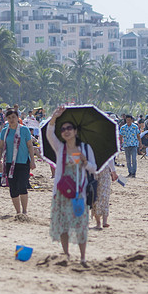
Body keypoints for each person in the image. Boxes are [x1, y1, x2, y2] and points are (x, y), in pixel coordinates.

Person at [46, 106, 97, 266]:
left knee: (81, 225)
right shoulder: (60, 147)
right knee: (63, 225)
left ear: (76, 131)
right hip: (61, 193)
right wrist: (54, 117)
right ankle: (66, 254)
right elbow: (49, 133)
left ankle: (82, 257)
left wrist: (85, 161)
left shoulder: (86, 148)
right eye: (63, 129)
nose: (66, 131)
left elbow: (94, 169)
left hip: (78, 193)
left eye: (69, 128)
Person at [0, 108, 36, 218]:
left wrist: (32, 161)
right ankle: (18, 212)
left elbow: (30, 146)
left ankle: (24, 211)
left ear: (17, 117)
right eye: (9, 118)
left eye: (13, 117)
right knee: (13, 187)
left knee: (22, 185)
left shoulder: (24, 130)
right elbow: (0, 147)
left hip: (23, 162)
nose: (11, 120)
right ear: (6, 119)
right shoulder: (5, 131)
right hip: (9, 163)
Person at [91, 162, 120, 229]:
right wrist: (113, 171)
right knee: (101, 195)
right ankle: (101, 221)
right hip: (98, 170)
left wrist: (113, 171)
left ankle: (102, 221)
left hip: (96, 169)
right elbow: (110, 159)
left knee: (99, 195)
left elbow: (110, 159)